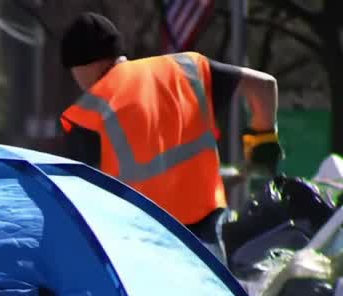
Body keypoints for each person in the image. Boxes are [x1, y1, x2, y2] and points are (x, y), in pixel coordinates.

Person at [56, 12, 284, 260]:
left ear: (85, 65)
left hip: (139, 243)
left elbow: (81, 200)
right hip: (205, 232)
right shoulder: (187, 69)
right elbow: (264, 85)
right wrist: (262, 140)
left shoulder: (89, 112)